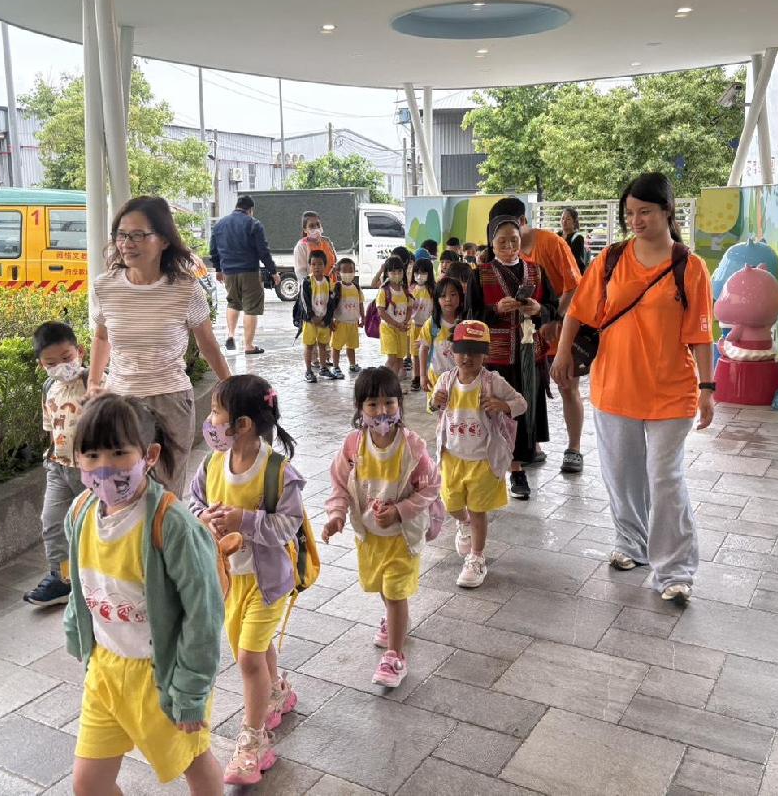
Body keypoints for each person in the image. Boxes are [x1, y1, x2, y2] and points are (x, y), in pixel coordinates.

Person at [552, 172, 715, 607]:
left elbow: (701, 335)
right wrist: (563, 353)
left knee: (665, 478)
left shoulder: (690, 267)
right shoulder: (611, 259)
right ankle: (632, 543)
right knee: (623, 474)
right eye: (630, 213)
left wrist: (708, 387)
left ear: (667, 211)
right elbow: (578, 311)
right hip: (615, 385)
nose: (636, 220)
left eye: (645, 211)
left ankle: (675, 571)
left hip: (671, 390)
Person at [64, 393, 224, 796]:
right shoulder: (80, 513)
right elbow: (82, 582)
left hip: (160, 675)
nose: (104, 466)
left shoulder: (172, 525)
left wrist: (190, 691)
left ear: (149, 455)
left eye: (119, 452)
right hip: (104, 671)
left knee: (194, 762)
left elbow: (203, 614)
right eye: (91, 455)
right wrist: (76, 631)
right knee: (89, 784)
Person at [189, 375, 305, 786]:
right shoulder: (211, 463)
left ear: (243, 424)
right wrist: (204, 518)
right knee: (254, 646)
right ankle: (277, 692)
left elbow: (289, 525)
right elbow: (194, 502)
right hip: (229, 582)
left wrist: (246, 520)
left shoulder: (277, 472)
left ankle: (253, 742)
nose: (210, 420)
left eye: (216, 412)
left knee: (248, 658)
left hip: (267, 583)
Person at [88, 196, 232, 495]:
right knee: (121, 491)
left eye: (138, 235)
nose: (127, 243)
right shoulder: (105, 286)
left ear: (164, 240)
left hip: (170, 401)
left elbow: (208, 344)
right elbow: (102, 337)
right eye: (121, 235)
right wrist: (93, 382)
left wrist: (231, 387)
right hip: (120, 402)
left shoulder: (186, 288)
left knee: (166, 494)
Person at [322, 368, 442, 688]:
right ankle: (395, 621)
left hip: (403, 536)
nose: (381, 411)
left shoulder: (412, 447)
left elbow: (431, 487)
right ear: (360, 408)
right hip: (371, 536)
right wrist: (336, 515)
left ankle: (395, 656)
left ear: (400, 404)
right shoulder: (353, 446)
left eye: (389, 402)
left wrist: (401, 511)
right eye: (372, 404)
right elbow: (339, 484)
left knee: (395, 590)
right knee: (383, 588)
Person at [488, 197, 585, 475]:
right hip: (527, 337)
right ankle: (533, 445)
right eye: (499, 232)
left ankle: (574, 448)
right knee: (527, 386)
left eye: (510, 229)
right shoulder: (504, 254)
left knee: (567, 387)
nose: (507, 240)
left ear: (522, 221)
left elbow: (574, 287)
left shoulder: (551, 243)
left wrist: (552, 317)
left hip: (561, 329)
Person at [466, 216, 558, 498]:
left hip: (530, 356)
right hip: (496, 358)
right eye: (502, 241)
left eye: (514, 241)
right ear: (492, 244)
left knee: (523, 411)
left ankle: (517, 469)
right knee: (495, 412)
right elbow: (470, 316)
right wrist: (495, 310)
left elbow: (552, 308)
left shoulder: (536, 271)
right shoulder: (480, 274)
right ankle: (488, 469)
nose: (508, 247)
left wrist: (538, 309)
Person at [430, 321, 526, 588]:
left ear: (486, 353)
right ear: (452, 351)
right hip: (452, 458)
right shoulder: (446, 380)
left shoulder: (493, 382)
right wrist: (434, 401)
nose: (467, 357)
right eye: (462, 350)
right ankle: (464, 523)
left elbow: (521, 403)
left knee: (478, 510)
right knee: (451, 503)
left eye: (474, 351)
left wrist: (502, 405)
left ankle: (477, 557)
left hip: (483, 460)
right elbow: (432, 405)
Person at [24, 321, 87, 607]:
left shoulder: (96, 383)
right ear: (42, 365)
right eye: (51, 363)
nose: (61, 366)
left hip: (91, 472)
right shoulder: (49, 388)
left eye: (66, 358)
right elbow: (51, 427)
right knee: (53, 524)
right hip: (58, 467)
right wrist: (52, 457)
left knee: (95, 524)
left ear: (80, 352)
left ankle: (101, 577)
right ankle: (63, 579)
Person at [209, 195, 281, 355]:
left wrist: (218, 269)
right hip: (249, 272)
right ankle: (248, 345)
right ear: (250, 209)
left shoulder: (220, 224)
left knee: (233, 303)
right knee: (251, 308)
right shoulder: (253, 224)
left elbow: (213, 249)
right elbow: (263, 251)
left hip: (228, 272)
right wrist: (273, 271)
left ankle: (230, 335)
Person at [418, 276, 465, 403]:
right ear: (437, 299)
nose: (448, 299)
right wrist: (422, 375)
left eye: (453, 294)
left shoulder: (465, 322)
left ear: (461, 297)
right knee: (439, 409)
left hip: (461, 379)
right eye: (443, 296)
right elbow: (423, 349)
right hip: (437, 378)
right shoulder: (431, 324)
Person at [298, 250, 338, 383]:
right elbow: (304, 302)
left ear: (325, 265)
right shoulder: (306, 282)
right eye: (313, 264)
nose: (317, 267)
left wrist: (327, 319)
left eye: (320, 264)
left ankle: (323, 368)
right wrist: (312, 317)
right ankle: (308, 371)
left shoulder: (328, 281)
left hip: (324, 321)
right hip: (310, 322)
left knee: (323, 345)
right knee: (309, 346)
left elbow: (331, 302)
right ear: (309, 265)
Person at [375, 255, 412, 381]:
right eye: (393, 272)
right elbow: (381, 312)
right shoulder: (384, 291)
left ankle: (393, 383)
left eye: (399, 271)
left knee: (399, 359)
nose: (397, 274)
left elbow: (409, 308)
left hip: (402, 329)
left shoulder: (405, 291)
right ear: (387, 273)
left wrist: (405, 322)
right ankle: (382, 382)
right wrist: (396, 324)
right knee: (391, 358)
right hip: (388, 329)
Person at [331, 257, 365, 375]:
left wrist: (363, 317)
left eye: (351, 270)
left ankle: (352, 365)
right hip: (340, 323)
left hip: (353, 323)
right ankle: (335, 367)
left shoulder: (357, 288)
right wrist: (330, 320)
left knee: (352, 346)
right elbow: (331, 305)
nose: (348, 273)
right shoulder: (336, 287)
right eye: (344, 271)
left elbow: (360, 303)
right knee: (336, 346)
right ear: (338, 273)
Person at [408, 257, 435, 392]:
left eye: (423, 272)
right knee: (415, 354)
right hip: (415, 326)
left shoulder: (433, 290)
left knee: (429, 353)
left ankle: (428, 375)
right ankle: (416, 377)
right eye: (417, 272)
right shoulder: (411, 289)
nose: (419, 276)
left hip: (429, 327)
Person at [293, 211, 338, 288]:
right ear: (305, 230)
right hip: (314, 289)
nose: (316, 228)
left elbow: (335, 262)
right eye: (311, 226)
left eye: (318, 224)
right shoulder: (301, 246)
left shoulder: (327, 241)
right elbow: (301, 273)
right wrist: (310, 288)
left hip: (331, 287)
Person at [559, 206, 589, 273]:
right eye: (562, 218)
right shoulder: (556, 236)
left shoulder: (578, 238)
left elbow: (576, 262)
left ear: (574, 222)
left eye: (568, 219)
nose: (564, 221)